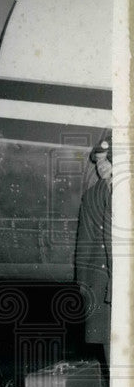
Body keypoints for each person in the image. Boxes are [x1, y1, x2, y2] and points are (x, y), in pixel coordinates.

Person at [75, 131, 113, 367]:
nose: (102, 166)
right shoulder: (97, 195)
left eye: (106, 160)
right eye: (99, 161)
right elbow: (89, 241)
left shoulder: (94, 195)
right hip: (109, 285)